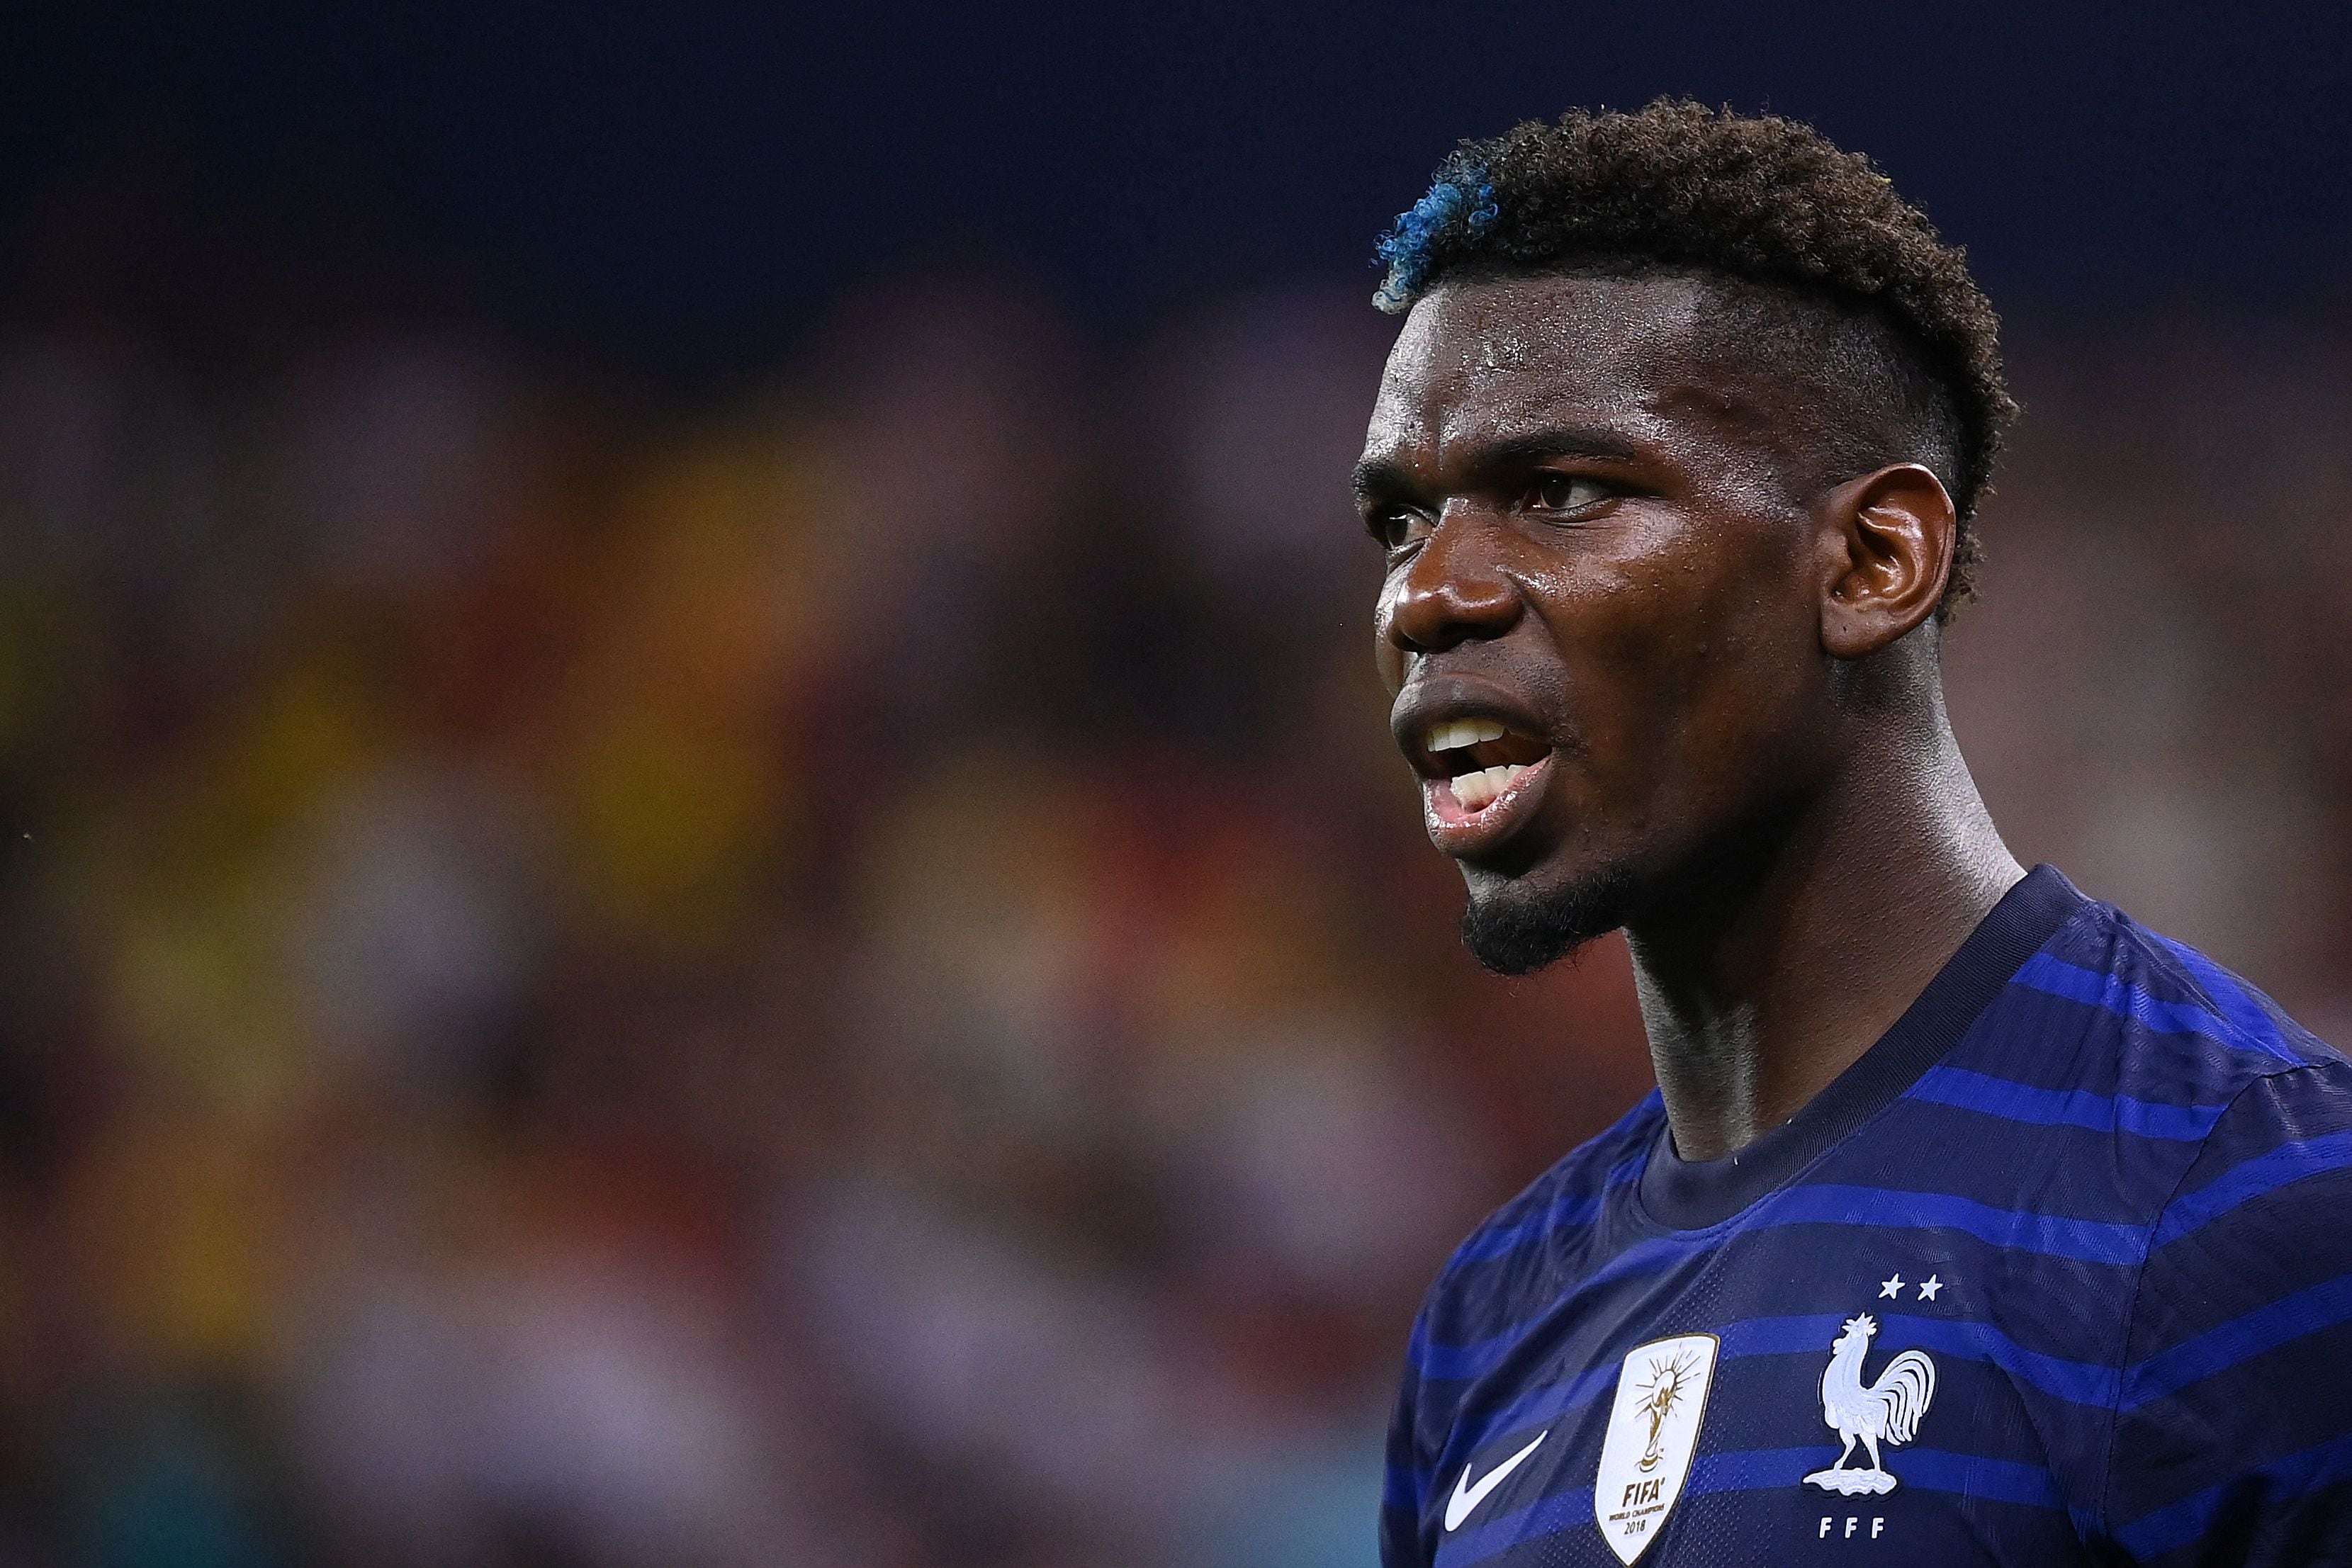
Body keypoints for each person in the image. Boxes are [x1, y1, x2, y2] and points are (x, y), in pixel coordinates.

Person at [1358, 99, 2352, 1567]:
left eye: (1561, 493)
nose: (1427, 595)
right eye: (1399, 521)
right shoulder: (1487, 1321)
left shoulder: (2254, 1209)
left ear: (1875, 561)